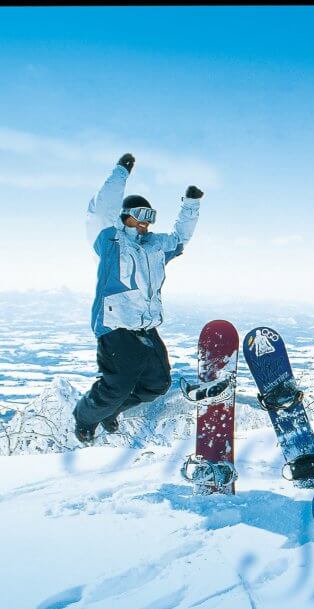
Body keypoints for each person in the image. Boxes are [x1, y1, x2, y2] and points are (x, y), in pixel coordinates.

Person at [73, 153, 203, 443]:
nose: (145, 223)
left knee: (157, 384)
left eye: (150, 217)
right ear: (125, 216)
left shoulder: (156, 247)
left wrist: (191, 205)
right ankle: (85, 416)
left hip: (145, 327)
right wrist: (121, 171)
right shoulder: (111, 241)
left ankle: (111, 411)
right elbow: (101, 209)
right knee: (117, 385)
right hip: (116, 325)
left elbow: (181, 237)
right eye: (139, 215)